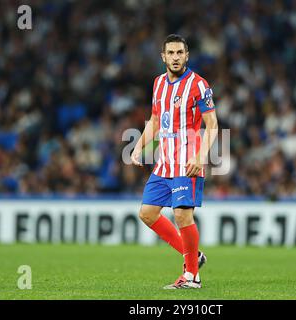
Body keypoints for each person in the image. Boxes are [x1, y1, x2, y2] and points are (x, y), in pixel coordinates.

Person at [131, 34, 218, 289]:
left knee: (181, 215)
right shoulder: (158, 84)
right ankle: (194, 256)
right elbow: (156, 121)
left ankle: (192, 276)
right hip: (165, 163)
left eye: (180, 52)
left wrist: (200, 157)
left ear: (187, 55)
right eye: (171, 53)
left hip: (187, 161)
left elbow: (212, 124)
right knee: (147, 214)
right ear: (163, 57)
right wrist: (138, 147)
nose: (176, 57)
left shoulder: (198, 85)